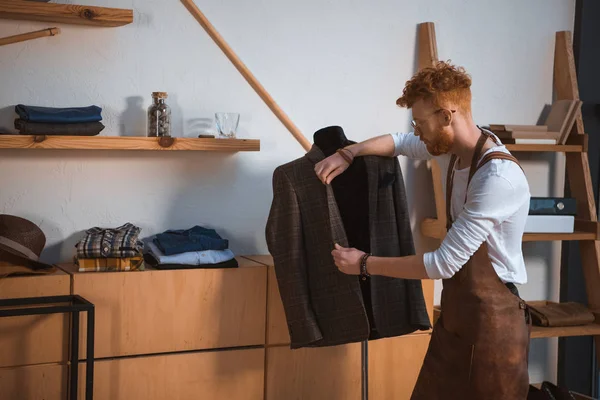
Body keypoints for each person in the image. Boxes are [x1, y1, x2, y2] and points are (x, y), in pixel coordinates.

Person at [314, 61, 532, 399]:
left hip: (494, 327)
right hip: (458, 317)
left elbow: (442, 264)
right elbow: (399, 142)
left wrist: (364, 264)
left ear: (447, 116)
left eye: (421, 122)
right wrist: (350, 152)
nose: (417, 131)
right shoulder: (454, 152)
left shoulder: (497, 178)